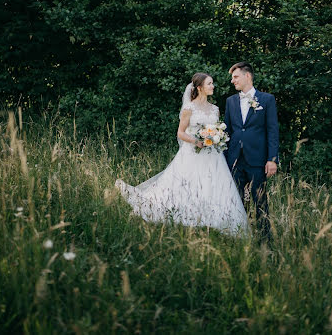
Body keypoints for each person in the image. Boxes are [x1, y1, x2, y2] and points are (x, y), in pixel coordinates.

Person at [115, 73, 248, 235]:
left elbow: (217, 128)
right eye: (209, 84)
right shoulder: (189, 108)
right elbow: (181, 133)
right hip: (193, 152)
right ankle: (180, 216)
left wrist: (217, 138)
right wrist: (196, 141)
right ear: (199, 87)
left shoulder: (215, 109)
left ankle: (215, 221)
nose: (213, 86)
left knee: (213, 185)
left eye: (212, 84)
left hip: (213, 155)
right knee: (185, 185)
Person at [224, 62, 279, 244]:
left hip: (257, 160)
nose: (233, 81)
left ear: (247, 76)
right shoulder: (230, 101)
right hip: (235, 160)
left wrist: (272, 159)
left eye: (235, 77)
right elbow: (228, 132)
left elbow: (272, 131)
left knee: (260, 201)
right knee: (236, 202)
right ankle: (239, 237)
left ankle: (265, 241)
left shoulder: (267, 99)